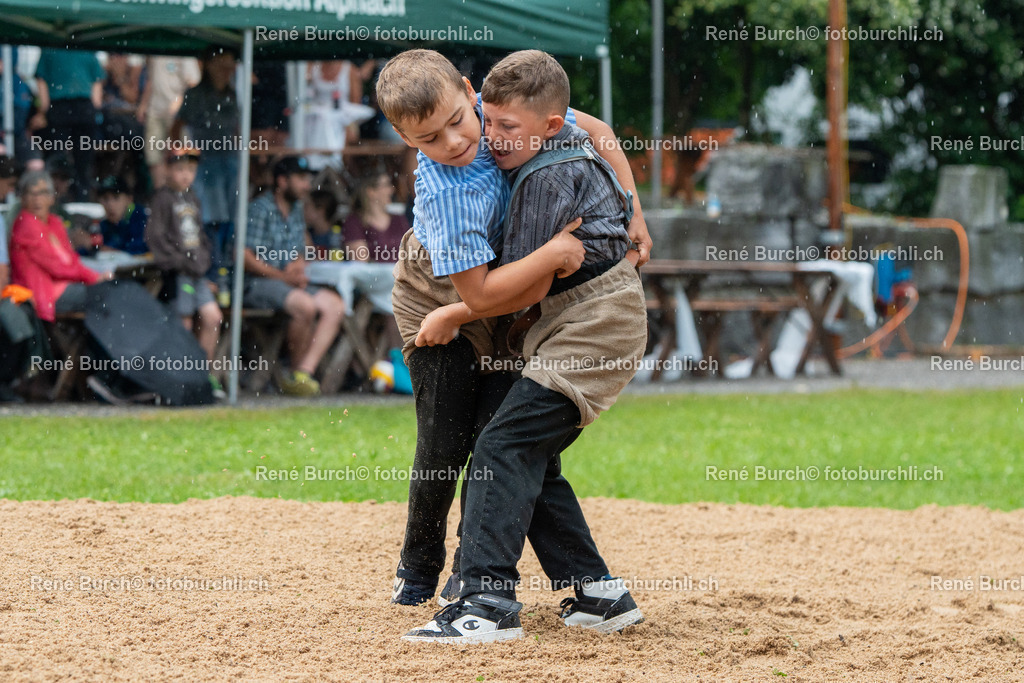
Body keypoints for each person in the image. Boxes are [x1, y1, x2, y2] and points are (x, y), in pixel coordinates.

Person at [374, 49, 652, 610]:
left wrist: (634, 211)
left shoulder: (502, 114)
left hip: (507, 300)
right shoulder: (448, 192)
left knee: (507, 443)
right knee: (446, 440)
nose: (453, 142)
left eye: (457, 120)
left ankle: (504, 579)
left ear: (469, 92)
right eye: (429, 139)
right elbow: (474, 294)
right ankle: (420, 566)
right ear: (407, 141)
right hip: (440, 297)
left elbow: (595, 129)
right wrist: (550, 253)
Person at [243, 156, 345, 397]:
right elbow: (244, 257)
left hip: (287, 282)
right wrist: (282, 275)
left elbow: (302, 249)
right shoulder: (259, 209)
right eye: (300, 179)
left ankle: (303, 373)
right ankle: (294, 372)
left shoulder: (297, 208)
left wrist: (298, 265)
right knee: (305, 306)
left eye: (307, 179)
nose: (306, 185)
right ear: (282, 181)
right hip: (257, 283)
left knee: (335, 305)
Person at [145, 146, 224, 398]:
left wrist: (204, 264)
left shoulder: (193, 199)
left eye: (190, 170)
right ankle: (182, 378)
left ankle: (204, 374)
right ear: (167, 170)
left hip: (197, 274)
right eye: (179, 169)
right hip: (178, 274)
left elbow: (201, 237)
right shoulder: (162, 199)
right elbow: (156, 239)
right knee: (184, 323)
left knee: (212, 317)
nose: (185, 175)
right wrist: (180, 261)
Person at [171, 46, 239, 277]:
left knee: (232, 215)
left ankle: (226, 269)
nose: (226, 72)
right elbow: (177, 126)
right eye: (222, 66)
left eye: (229, 67)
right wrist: (180, 158)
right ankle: (210, 267)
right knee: (208, 217)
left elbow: (238, 128)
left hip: (230, 161)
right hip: (205, 161)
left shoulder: (232, 94)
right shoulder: (195, 94)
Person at [9, 171, 107, 323]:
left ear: (51, 198)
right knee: (106, 294)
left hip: (62, 286)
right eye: (31, 194)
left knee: (110, 291)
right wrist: (94, 278)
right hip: (41, 293)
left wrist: (95, 277)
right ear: (23, 198)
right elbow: (56, 266)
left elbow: (72, 259)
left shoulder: (54, 222)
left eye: (42, 193)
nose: (37, 199)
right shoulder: (26, 225)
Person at [31, 49, 105, 201]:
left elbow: (41, 79)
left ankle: (62, 197)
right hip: (76, 107)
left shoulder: (50, 48)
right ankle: (76, 196)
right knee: (77, 158)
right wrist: (95, 105)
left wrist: (44, 109)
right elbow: (97, 81)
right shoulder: (84, 49)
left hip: (64, 107)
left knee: (62, 158)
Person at [137, 56, 201, 189]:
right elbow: (151, 78)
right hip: (155, 111)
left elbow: (193, 83)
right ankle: (161, 193)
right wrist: (144, 104)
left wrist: (180, 102)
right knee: (154, 157)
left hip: (177, 116)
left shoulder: (184, 52)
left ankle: (183, 196)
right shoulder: (154, 52)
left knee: (183, 156)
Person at [304, 60, 375, 171]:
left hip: (345, 119)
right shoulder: (313, 66)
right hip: (316, 118)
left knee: (348, 135)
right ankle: (316, 167)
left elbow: (356, 104)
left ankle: (337, 170)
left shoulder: (350, 69)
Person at [341, 172, 408, 263]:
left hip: (400, 276)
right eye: (386, 185)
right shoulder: (354, 222)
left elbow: (412, 254)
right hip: (372, 277)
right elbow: (361, 259)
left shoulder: (399, 219)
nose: (392, 190)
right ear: (371, 192)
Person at [96, 176, 148, 255]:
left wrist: (115, 250)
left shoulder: (141, 218)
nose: (110, 204)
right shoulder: (105, 224)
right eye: (105, 198)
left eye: (116, 198)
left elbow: (142, 247)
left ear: (129, 199)